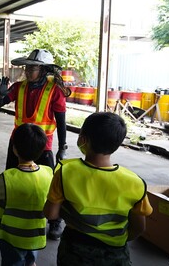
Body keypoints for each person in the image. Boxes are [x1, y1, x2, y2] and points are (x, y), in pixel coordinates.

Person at [44, 112, 153, 265]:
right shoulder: (135, 183)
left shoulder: (66, 171)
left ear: (83, 139)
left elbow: (51, 214)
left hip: (73, 251)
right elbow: (139, 228)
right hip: (115, 254)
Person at [0, 48, 71, 240]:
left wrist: (62, 147)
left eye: (33, 68)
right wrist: (0, 96)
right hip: (18, 141)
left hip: (41, 145)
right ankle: (6, 211)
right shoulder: (19, 87)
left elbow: (61, 121)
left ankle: (55, 222)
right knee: (11, 177)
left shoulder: (55, 90)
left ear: (44, 70)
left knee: (50, 185)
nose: (28, 71)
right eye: (27, 68)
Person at [0, 123, 53, 266]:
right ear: (41, 150)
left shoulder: (8, 177)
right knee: (31, 259)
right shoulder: (48, 173)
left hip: (12, 237)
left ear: (14, 149)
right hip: (35, 234)